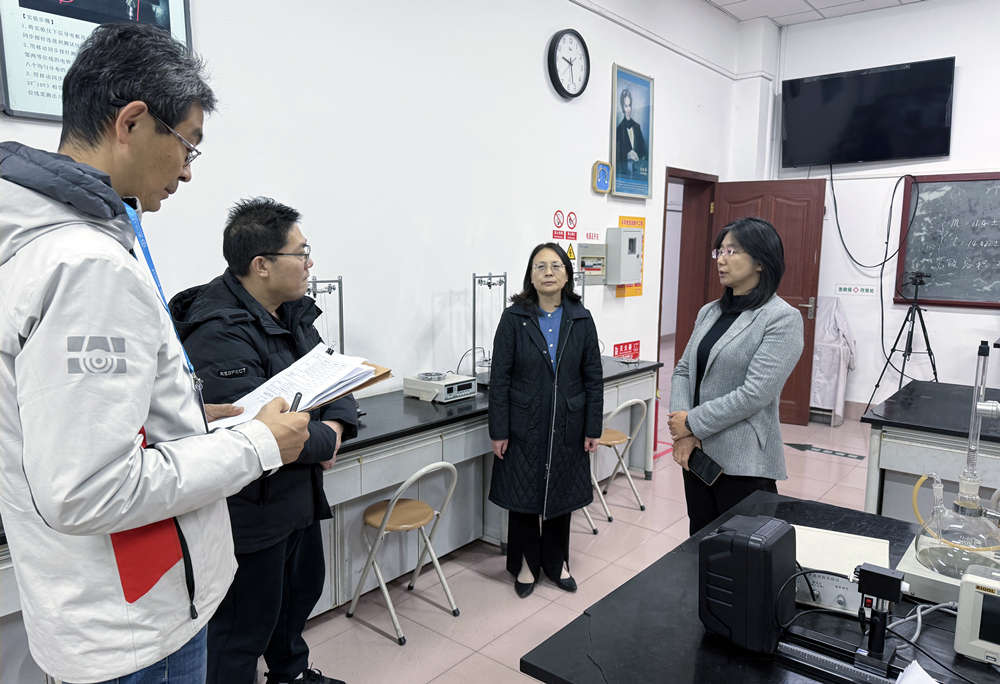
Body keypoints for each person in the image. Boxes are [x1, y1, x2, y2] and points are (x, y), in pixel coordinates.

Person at [0, 23, 310, 684]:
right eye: (188, 144)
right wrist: (257, 444)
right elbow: (89, 488)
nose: (189, 171)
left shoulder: (48, 241)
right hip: (134, 627)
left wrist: (190, 420)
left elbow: (72, 424)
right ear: (133, 122)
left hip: (97, 609)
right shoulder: (85, 264)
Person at [170, 198, 357, 684]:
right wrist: (326, 441)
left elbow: (334, 379)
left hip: (296, 501)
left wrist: (336, 427)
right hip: (249, 515)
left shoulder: (292, 314)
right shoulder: (217, 331)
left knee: (294, 608)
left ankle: (291, 675)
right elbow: (255, 433)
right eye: (302, 252)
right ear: (262, 264)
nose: (310, 263)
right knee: (240, 633)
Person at [667, 217, 804, 536]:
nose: (721, 259)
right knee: (701, 541)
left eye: (733, 251)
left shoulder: (781, 318)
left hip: (743, 461)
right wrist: (683, 433)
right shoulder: (709, 312)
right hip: (697, 455)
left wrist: (691, 422)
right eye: (720, 251)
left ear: (761, 261)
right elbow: (684, 370)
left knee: (744, 552)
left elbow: (754, 394)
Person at [488, 243, 603, 598]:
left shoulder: (581, 318)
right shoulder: (514, 318)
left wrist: (592, 427)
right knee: (524, 495)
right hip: (523, 423)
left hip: (568, 423)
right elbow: (500, 378)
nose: (548, 272)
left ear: (567, 275)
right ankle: (526, 563)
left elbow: (593, 377)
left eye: (556, 265)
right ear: (531, 276)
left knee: (561, 493)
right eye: (540, 266)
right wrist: (499, 430)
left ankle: (556, 562)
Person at [615, 88, 647, 178]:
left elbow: (644, 153)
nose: (628, 110)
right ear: (622, 108)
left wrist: (641, 158)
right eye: (626, 106)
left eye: (629, 106)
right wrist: (626, 156)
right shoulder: (618, 131)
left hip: (638, 176)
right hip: (624, 176)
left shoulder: (637, 127)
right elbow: (615, 157)